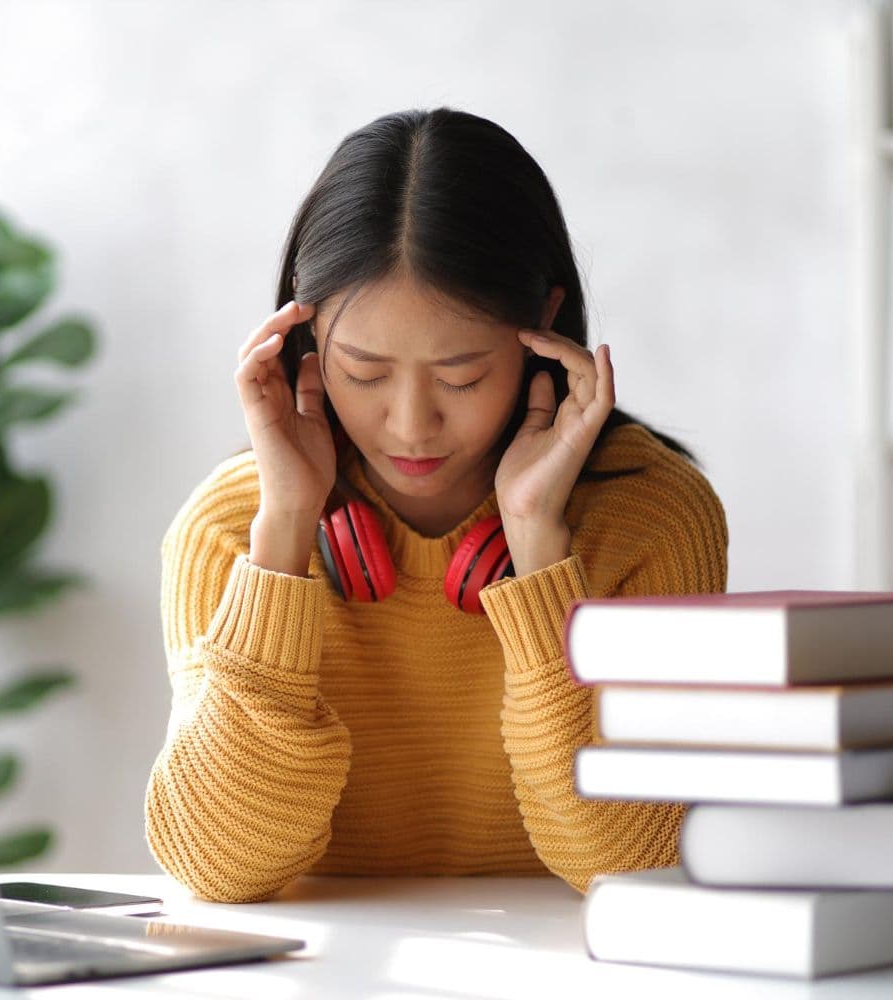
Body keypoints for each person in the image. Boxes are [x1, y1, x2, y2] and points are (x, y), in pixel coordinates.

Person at [145, 107, 728, 903]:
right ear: (303, 342)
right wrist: (282, 537)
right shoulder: (228, 530)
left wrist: (538, 551)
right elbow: (218, 866)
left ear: (543, 326)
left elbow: (631, 864)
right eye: (365, 371)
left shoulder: (652, 516)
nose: (412, 424)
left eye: (461, 376)